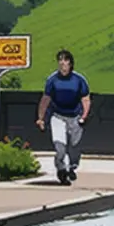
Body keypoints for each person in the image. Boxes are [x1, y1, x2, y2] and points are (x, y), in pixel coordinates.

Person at [35, 49, 91, 185]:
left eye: (65, 60)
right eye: (60, 60)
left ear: (71, 64)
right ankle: (61, 169)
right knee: (59, 145)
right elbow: (45, 99)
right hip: (58, 116)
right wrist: (41, 118)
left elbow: (85, 99)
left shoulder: (79, 80)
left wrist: (84, 115)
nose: (62, 63)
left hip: (75, 116)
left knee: (74, 145)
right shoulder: (52, 80)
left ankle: (72, 166)